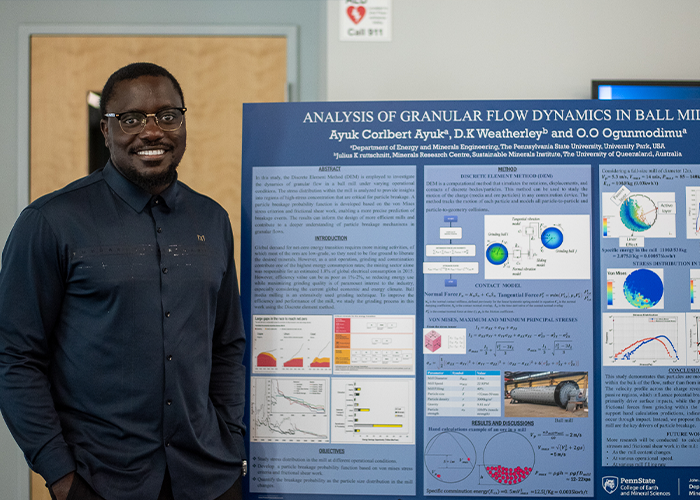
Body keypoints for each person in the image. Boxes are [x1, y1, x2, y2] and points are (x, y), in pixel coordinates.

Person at [0, 62, 246, 500]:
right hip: (100, 480)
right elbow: (14, 357)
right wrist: (59, 473)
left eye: (168, 115)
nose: (152, 131)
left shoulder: (211, 219)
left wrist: (231, 437)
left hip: (209, 478)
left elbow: (227, 345)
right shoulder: (50, 222)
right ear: (105, 129)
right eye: (131, 119)